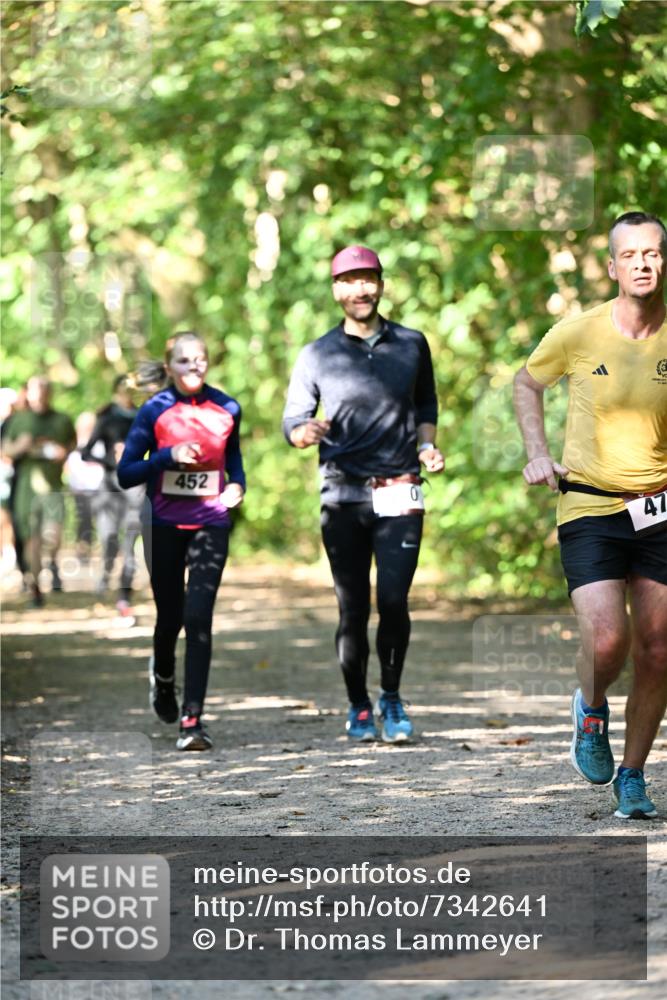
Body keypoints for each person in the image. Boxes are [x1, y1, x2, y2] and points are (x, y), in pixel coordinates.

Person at [513, 211, 667, 820]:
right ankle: (592, 707)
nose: (642, 264)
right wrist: (537, 452)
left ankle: (633, 774)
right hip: (588, 503)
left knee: (659, 649)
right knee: (608, 639)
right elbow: (527, 384)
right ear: (611, 267)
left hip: (659, 509)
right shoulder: (577, 333)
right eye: (630, 255)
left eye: (652, 253)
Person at [282, 245, 444, 743]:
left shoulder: (411, 343)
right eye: (349, 280)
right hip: (343, 494)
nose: (360, 289)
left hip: (399, 490)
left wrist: (427, 446)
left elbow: (426, 404)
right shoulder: (317, 354)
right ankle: (358, 705)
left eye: (368, 278)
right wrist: (303, 433)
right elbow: (293, 420)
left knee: (393, 601)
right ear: (336, 290)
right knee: (352, 608)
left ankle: (391, 697)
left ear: (381, 284)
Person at [117, 332, 245, 751]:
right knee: (170, 616)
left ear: (208, 363)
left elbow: (234, 461)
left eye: (200, 359)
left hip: (211, 522)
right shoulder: (154, 410)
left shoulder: (228, 408)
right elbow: (126, 473)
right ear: (170, 366)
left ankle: (192, 721)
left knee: (199, 616)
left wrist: (237, 486)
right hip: (163, 524)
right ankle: (164, 677)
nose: (194, 367)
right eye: (184, 361)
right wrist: (167, 457)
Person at [1, 376, 75, 607]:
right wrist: (21, 446)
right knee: (31, 539)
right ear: (29, 393)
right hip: (26, 489)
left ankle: (51, 563)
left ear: (50, 393)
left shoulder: (62, 419)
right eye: (36, 389)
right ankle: (35, 587)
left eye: (44, 389)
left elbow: (72, 445)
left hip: (53, 486)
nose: (40, 393)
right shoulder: (18, 420)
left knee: (52, 535)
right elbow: (5, 450)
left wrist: (64, 452)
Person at [81, 376, 143, 618]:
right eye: (124, 389)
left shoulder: (144, 418)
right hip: (109, 487)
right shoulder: (107, 418)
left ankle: (124, 595)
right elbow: (86, 453)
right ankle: (106, 574)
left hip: (136, 486)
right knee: (109, 539)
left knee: (130, 543)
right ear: (116, 391)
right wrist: (110, 460)